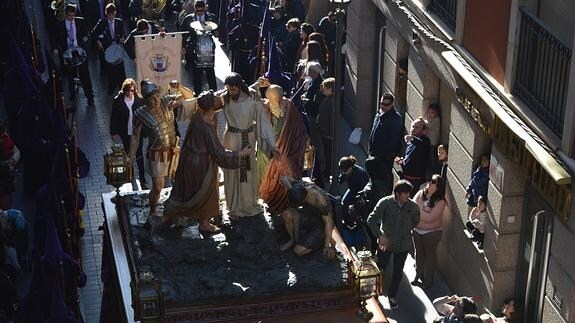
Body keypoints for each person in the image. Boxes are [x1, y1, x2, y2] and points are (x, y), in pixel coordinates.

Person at [163, 91, 252, 233]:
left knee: (185, 190)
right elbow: (218, 152)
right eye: (217, 100)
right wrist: (241, 154)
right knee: (206, 192)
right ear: (211, 107)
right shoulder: (206, 127)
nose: (220, 101)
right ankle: (204, 223)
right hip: (201, 164)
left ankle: (171, 214)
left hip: (188, 160)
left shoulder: (199, 114)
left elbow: (212, 97)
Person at [219, 73, 277, 219]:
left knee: (248, 172)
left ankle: (248, 204)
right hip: (231, 139)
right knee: (231, 173)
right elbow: (205, 101)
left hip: (248, 139)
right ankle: (234, 207)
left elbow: (263, 123)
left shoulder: (253, 100)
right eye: (227, 89)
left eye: (232, 89)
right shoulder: (225, 98)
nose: (228, 92)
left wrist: (273, 144)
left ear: (239, 87)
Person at [128, 80, 181, 224]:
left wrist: (177, 92)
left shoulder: (166, 101)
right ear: (145, 99)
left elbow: (184, 96)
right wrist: (131, 155)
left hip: (173, 149)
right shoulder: (141, 113)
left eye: (156, 95)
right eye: (150, 98)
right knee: (158, 187)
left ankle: (175, 208)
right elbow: (135, 135)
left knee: (178, 181)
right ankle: (152, 210)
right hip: (157, 153)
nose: (155, 100)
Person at [254, 83, 309, 214]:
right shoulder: (265, 107)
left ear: (279, 98)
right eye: (269, 99)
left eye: (273, 99)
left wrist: (301, 141)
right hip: (268, 148)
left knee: (287, 168)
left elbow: (298, 129)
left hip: (287, 148)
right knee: (264, 167)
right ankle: (268, 197)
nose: (271, 102)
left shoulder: (289, 107)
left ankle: (287, 197)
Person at [367, 180, 420, 310]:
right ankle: (374, 295)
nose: (408, 196)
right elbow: (371, 220)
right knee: (379, 269)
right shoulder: (385, 203)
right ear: (397, 193)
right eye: (405, 193)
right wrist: (380, 236)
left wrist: (405, 232)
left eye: (409, 193)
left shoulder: (413, 207)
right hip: (386, 243)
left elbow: (415, 222)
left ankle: (392, 296)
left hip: (403, 244)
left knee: (398, 272)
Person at [278, 176, 335, 259]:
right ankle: (292, 239)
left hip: (321, 224)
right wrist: (292, 189)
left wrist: (326, 246)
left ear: (303, 200)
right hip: (309, 216)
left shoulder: (320, 201)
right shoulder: (299, 186)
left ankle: (322, 241)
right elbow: (283, 178)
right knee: (286, 214)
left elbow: (328, 223)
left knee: (298, 251)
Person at [51, 4, 95, 105]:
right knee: (71, 76)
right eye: (69, 15)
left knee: (85, 75)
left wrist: (86, 39)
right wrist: (55, 48)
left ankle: (90, 96)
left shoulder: (80, 21)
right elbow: (54, 37)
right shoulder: (60, 25)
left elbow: (87, 34)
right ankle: (72, 96)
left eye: (73, 15)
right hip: (68, 52)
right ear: (66, 15)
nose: (71, 18)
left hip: (79, 51)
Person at [110, 78, 148, 189]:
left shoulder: (139, 99)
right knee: (128, 154)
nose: (129, 93)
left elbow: (145, 114)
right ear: (124, 91)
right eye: (127, 91)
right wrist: (113, 131)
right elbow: (114, 117)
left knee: (139, 154)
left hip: (137, 131)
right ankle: (131, 177)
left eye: (131, 91)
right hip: (125, 132)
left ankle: (142, 179)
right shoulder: (118, 101)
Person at [412, 174, 446, 289]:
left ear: (438, 186)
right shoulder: (421, 193)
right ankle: (418, 275)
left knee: (430, 257)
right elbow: (413, 209)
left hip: (432, 233)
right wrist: (425, 212)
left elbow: (431, 218)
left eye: (433, 181)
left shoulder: (440, 201)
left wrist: (420, 212)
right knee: (419, 254)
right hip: (417, 231)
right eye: (430, 180)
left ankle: (428, 280)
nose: (430, 182)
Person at [368, 93, 403, 194]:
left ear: (392, 104)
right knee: (374, 175)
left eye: (386, 104)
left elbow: (393, 140)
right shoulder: (379, 113)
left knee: (385, 176)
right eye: (381, 103)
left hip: (384, 156)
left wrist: (388, 154)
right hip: (374, 153)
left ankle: (386, 194)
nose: (383, 106)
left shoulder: (395, 119)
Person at [181, 1, 218, 93]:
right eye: (197, 10)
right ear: (195, 9)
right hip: (194, 47)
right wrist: (184, 47)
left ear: (205, 8)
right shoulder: (188, 18)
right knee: (196, 73)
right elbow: (183, 33)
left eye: (201, 10)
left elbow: (217, 33)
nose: (200, 12)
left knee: (210, 71)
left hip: (208, 49)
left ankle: (214, 92)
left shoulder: (211, 17)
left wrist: (216, 32)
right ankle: (197, 93)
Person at [90, 3, 126, 95]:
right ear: (106, 13)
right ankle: (111, 87)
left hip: (117, 48)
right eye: (109, 14)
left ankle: (123, 87)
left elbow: (123, 34)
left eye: (112, 14)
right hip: (107, 49)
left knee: (121, 69)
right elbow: (93, 34)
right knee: (110, 70)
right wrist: (98, 41)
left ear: (115, 13)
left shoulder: (119, 22)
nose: (111, 16)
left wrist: (123, 38)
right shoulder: (102, 23)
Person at [396, 117, 431, 196]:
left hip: (415, 181)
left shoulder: (425, 141)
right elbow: (410, 157)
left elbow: (421, 145)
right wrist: (402, 161)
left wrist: (412, 138)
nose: (413, 129)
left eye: (417, 127)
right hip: (405, 177)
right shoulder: (411, 141)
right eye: (413, 126)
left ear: (423, 131)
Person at [316, 77, 335, 180]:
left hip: (328, 134)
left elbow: (332, 119)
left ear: (330, 89)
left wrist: (331, 134)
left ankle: (328, 173)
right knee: (326, 153)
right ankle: (327, 171)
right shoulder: (328, 99)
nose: (322, 88)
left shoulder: (331, 102)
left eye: (324, 87)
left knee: (328, 154)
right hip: (325, 132)